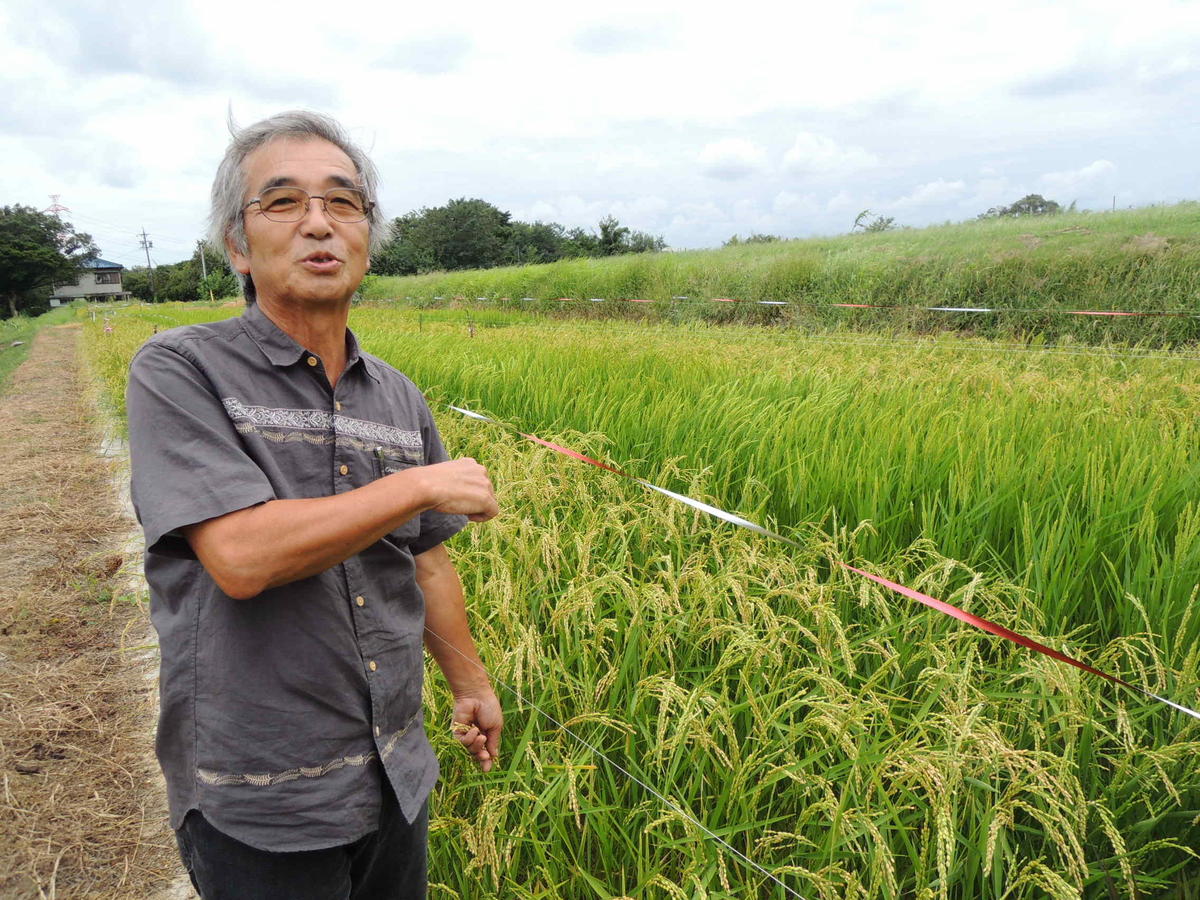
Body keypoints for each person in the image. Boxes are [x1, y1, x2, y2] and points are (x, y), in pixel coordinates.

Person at [126, 110, 502, 899]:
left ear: (368, 236)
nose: (319, 225)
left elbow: (424, 559)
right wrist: (419, 482)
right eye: (283, 202)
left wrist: (471, 682)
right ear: (237, 245)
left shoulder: (395, 396)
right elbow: (241, 556)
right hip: (259, 791)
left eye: (344, 203)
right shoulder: (182, 371)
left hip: (395, 769)